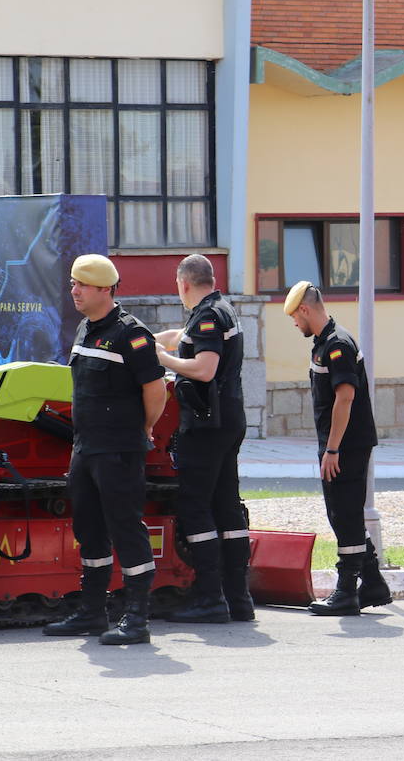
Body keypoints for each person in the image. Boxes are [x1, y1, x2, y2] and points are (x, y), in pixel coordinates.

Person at [43, 254, 166, 645]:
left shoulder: (132, 334)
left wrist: (143, 427)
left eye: (81, 285)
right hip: (86, 448)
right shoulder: (86, 329)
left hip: (119, 449)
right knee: (90, 530)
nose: (74, 291)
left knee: (126, 528)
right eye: (73, 284)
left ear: (104, 290)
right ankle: (93, 612)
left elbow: (155, 389)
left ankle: (136, 618)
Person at [154, 254, 252, 623]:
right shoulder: (221, 309)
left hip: (206, 425)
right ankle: (237, 598)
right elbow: (182, 338)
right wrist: (146, 340)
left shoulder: (208, 317)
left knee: (195, 507)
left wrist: (166, 361)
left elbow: (205, 368)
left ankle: (209, 597)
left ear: (183, 284)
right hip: (228, 421)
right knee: (227, 506)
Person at [283, 281, 389, 616]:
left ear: (305, 309)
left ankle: (346, 591)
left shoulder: (337, 344)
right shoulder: (323, 342)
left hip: (346, 446)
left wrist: (332, 450)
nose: (294, 324)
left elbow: (345, 397)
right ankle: (372, 583)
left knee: (343, 513)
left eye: (294, 317)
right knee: (344, 512)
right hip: (339, 444)